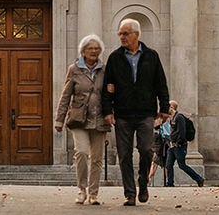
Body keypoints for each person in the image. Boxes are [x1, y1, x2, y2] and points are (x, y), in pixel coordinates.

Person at [101, 18, 170, 207]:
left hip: (146, 113)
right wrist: (107, 111)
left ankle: (143, 182)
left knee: (146, 149)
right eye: (120, 34)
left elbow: (161, 84)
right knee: (124, 155)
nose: (122, 37)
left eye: (125, 33)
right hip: (122, 113)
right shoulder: (115, 58)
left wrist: (164, 108)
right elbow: (107, 87)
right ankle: (130, 193)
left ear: (136, 34)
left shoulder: (151, 56)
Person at [54, 34, 111, 206]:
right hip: (79, 119)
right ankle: (82, 189)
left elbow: (111, 95)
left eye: (96, 49)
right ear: (83, 51)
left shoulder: (105, 70)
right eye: (90, 48)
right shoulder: (74, 69)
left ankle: (93, 193)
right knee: (82, 152)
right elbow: (65, 95)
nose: (94, 51)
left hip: (99, 118)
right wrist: (59, 119)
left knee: (97, 158)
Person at [164, 100, 205, 187]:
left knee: (182, 165)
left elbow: (182, 132)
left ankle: (199, 179)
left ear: (171, 107)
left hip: (179, 146)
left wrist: (178, 142)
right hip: (172, 146)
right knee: (168, 164)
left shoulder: (179, 117)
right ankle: (170, 183)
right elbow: (174, 132)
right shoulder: (172, 118)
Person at [148, 117, 167, 185]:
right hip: (159, 151)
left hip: (160, 151)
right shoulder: (157, 132)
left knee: (156, 165)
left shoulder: (160, 131)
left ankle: (149, 180)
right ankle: (149, 180)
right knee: (156, 165)